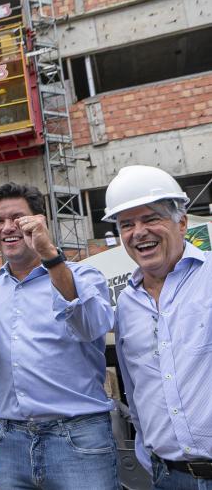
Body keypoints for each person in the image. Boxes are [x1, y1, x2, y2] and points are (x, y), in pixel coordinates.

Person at [0, 183, 118, 489]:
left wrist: (49, 256)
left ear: (40, 221)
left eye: (17, 218)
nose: (7, 228)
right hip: (12, 439)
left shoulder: (84, 275)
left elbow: (92, 325)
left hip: (78, 437)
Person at [104, 165, 212, 489]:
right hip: (167, 476)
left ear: (182, 222)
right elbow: (135, 391)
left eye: (151, 219)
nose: (138, 231)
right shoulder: (127, 304)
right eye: (127, 224)